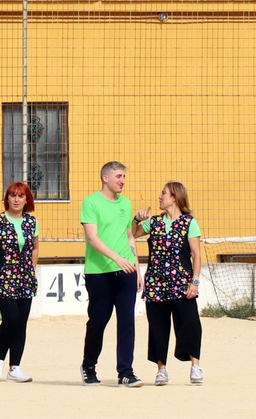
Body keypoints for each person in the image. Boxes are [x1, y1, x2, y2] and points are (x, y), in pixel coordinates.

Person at [80, 161, 142, 387]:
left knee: (127, 322)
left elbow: (129, 237)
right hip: (100, 272)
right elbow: (92, 238)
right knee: (98, 321)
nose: (123, 180)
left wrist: (137, 268)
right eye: (118, 176)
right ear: (105, 178)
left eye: (124, 176)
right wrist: (116, 258)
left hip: (126, 271)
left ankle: (126, 371)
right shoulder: (91, 202)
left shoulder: (126, 203)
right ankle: (89, 366)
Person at [137, 182, 205, 386]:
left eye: (163, 193)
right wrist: (136, 220)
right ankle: (161, 370)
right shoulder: (154, 222)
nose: (159, 196)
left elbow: (196, 255)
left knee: (190, 323)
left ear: (174, 197)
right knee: (157, 326)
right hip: (156, 283)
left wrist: (195, 282)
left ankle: (195, 366)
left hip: (182, 283)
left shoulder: (189, 223)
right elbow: (132, 234)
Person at [0, 181, 38, 382]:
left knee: (21, 323)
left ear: (26, 200)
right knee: (11, 318)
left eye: (20, 196)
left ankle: (15, 367)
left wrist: (31, 268)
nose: (16, 199)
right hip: (4, 277)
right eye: (12, 195)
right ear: (7, 198)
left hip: (25, 278)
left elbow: (35, 248)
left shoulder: (32, 222)